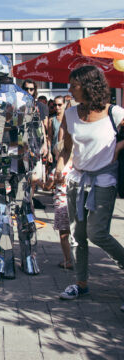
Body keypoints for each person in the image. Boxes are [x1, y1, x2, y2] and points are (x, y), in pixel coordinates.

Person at [0, 55, 45, 278]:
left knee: (1, 211)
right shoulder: (27, 98)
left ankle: (5, 264)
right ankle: (31, 262)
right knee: (25, 210)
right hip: (23, 160)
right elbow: (38, 134)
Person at [56, 65, 124, 307]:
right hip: (77, 179)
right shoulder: (71, 114)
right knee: (78, 235)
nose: (70, 90)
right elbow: (66, 148)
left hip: (104, 181)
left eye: (74, 85)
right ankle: (81, 284)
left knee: (98, 233)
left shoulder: (114, 113)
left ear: (88, 86)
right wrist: (59, 166)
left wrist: (118, 147)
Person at [43, 141, 73, 269]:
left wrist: (37, 181)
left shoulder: (56, 171)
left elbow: (47, 187)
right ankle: (78, 258)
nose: (55, 158)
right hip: (74, 203)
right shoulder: (75, 168)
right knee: (75, 234)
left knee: (63, 235)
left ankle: (68, 260)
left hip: (62, 204)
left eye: (56, 155)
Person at [22, 80, 49, 209]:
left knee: (34, 176)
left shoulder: (40, 106)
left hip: (36, 144)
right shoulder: (18, 104)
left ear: (35, 90)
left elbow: (43, 126)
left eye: (31, 89)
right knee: (23, 175)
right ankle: (25, 200)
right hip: (21, 144)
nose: (29, 91)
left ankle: (30, 200)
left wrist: (45, 145)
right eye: (26, 89)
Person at [47, 95, 65, 167]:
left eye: (59, 105)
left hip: (67, 151)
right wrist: (49, 152)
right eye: (55, 105)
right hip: (55, 152)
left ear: (64, 104)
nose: (57, 107)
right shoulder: (51, 119)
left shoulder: (69, 118)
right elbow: (49, 137)